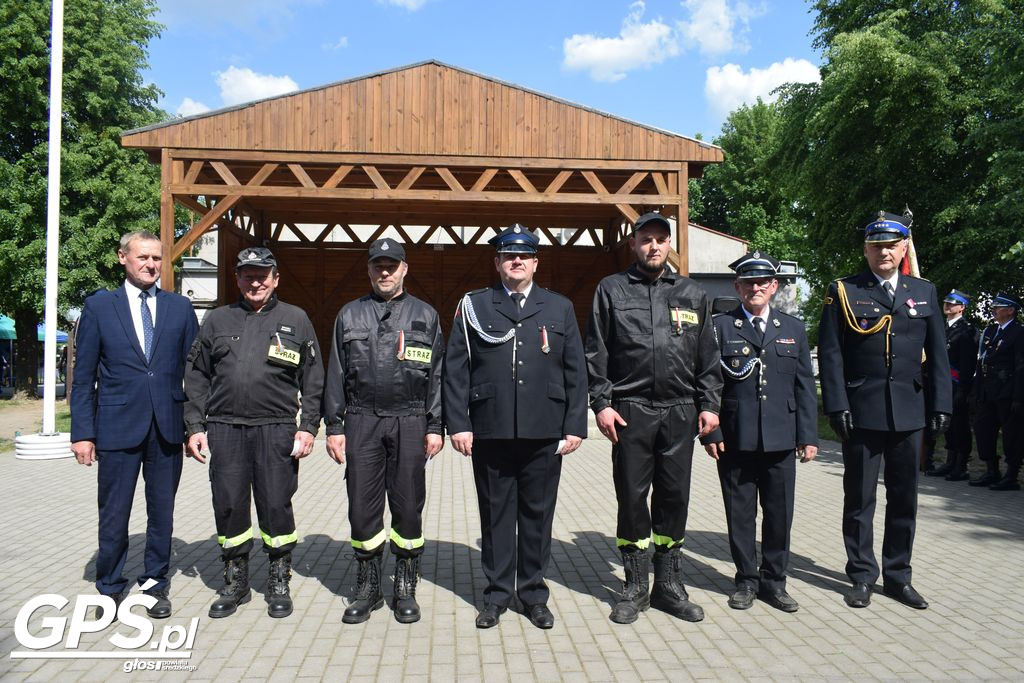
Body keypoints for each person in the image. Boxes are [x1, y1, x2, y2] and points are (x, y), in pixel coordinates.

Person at [443, 224, 588, 630]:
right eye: (509, 256)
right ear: (497, 263)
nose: (516, 261)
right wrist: (459, 423)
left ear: (536, 262)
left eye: (523, 256)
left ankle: (533, 594)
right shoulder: (475, 305)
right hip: (490, 428)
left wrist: (575, 424)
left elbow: (576, 369)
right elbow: (455, 369)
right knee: (495, 515)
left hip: (545, 429)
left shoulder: (558, 307)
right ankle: (496, 595)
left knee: (538, 516)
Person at [585, 211, 722, 625]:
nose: (654, 246)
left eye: (661, 239)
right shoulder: (610, 290)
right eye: (646, 239)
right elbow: (597, 351)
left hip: (680, 411)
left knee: (674, 497)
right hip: (630, 411)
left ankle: (668, 585)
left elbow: (708, 356)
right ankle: (634, 587)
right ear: (634, 243)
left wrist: (710, 404)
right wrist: (601, 403)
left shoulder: (694, 294)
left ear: (669, 245)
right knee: (631, 497)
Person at [819, 210, 951, 610]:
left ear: (904, 247)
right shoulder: (844, 289)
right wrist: (837, 404)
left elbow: (940, 356)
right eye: (876, 246)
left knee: (904, 499)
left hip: (910, 412)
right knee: (859, 500)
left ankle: (898, 576)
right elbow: (830, 353)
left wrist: (941, 403)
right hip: (862, 412)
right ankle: (861, 574)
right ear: (865, 249)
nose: (884, 252)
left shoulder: (924, 291)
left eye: (892, 245)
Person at [184, 247, 324, 619]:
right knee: (229, 503)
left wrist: (309, 426)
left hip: (276, 428)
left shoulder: (296, 319)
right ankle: (236, 580)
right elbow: (196, 376)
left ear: (276, 278)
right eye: (247, 274)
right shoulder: (216, 320)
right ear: (237, 279)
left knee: (276, 503)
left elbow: (314, 378)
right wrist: (195, 426)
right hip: (225, 427)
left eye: (263, 274)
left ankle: (279, 578)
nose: (255, 281)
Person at [70, 231, 199, 620]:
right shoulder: (100, 307)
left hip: (166, 428)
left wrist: (194, 427)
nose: (151, 265)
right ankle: (108, 587)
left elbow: (195, 374)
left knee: (162, 513)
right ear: (122, 258)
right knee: (114, 513)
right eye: (143, 257)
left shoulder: (179, 308)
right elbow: (83, 376)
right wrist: (82, 433)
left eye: (158, 258)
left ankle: (154, 585)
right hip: (116, 428)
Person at [323, 238, 445, 625]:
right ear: (369, 270)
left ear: (405, 269)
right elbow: (335, 374)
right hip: (362, 420)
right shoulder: (349, 315)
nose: (385, 272)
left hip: (410, 419)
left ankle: (405, 585)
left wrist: (436, 424)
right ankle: (368, 586)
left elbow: (438, 377)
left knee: (408, 506)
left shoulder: (425, 315)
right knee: (362, 507)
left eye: (392, 265)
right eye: (378, 265)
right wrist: (334, 425)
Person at [701, 252, 818, 613]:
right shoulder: (719, 327)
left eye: (762, 282)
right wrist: (711, 433)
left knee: (780, 514)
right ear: (737, 287)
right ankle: (746, 580)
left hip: (782, 437)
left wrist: (808, 435)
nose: (755, 288)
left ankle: (774, 582)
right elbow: (708, 383)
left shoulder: (793, 328)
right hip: (735, 438)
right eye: (748, 282)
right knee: (740, 513)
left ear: (774, 287)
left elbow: (804, 387)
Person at [969, 293, 1024, 490]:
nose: (994, 310)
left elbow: (1020, 366)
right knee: (983, 429)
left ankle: (1011, 475)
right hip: (987, 389)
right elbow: (981, 361)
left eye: (999, 307)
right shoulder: (991, 330)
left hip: (1007, 391)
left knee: (1012, 435)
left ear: (1011, 310)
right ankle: (992, 470)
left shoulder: (1018, 332)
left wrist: (1018, 396)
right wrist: (976, 391)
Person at [924, 290, 978, 480]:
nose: (947, 306)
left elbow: (967, 363)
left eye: (953, 303)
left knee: (959, 425)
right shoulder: (942, 328)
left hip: (956, 385)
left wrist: (963, 389)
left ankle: (960, 465)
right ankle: (949, 461)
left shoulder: (967, 330)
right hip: (940, 385)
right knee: (947, 425)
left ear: (962, 307)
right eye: (946, 303)